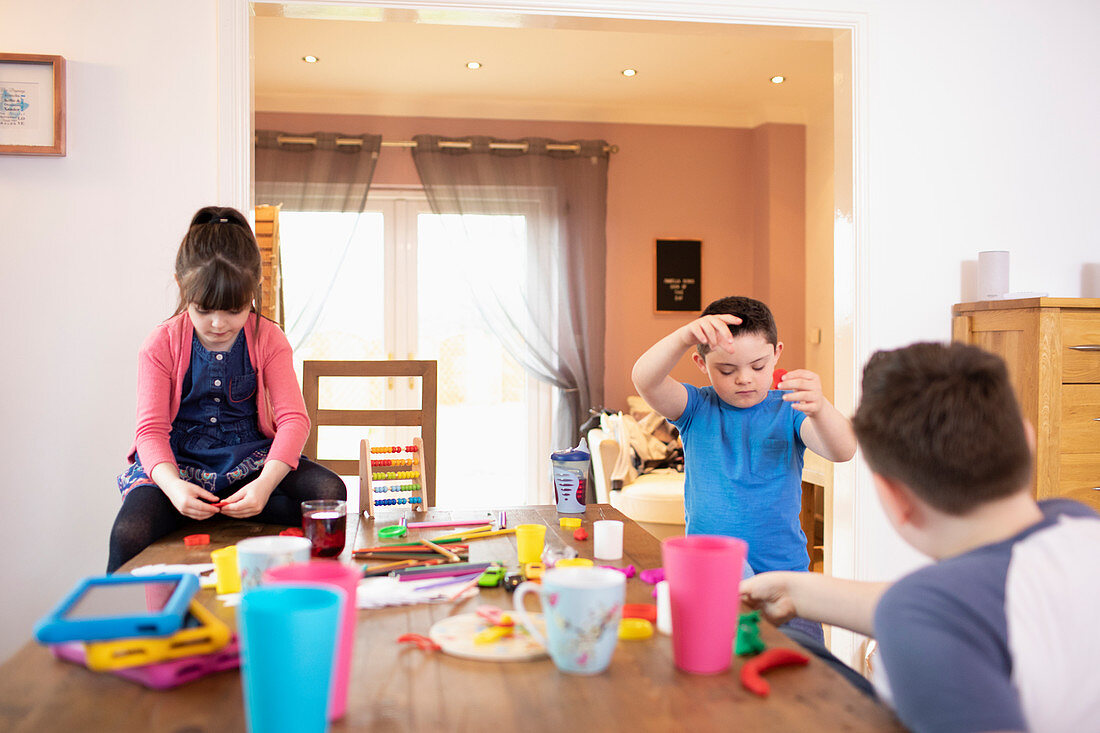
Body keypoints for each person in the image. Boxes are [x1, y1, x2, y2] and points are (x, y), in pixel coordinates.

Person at [740, 342, 1100, 732]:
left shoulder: (923, 618)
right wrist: (798, 591)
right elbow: (976, 604)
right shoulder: (1076, 521)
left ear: (896, 499)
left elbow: (943, 611)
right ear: (1027, 442)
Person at [108, 206, 345, 572]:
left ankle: (307, 578)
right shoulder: (160, 344)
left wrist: (265, 484)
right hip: (179, 466)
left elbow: (294, 421)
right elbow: (150, 432)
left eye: (234, 310)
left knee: (329, 495)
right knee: (130, 530)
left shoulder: (269, 338)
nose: (218, 324)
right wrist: (173, 488)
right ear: (181, 286)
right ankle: (120, 619)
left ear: (254, 289)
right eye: (203, 310)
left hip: (250, 462)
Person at [631, 296, 856, 576]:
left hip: (783, 572)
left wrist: (821, 408)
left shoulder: (790, 408)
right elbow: (645, 379)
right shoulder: (695, 407)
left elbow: (843, 450)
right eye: (727, 370)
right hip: (710, 568)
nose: (744, 378)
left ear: (776, 354)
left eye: (758, 366)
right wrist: (683, 336)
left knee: (792, 623)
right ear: (701, 363)